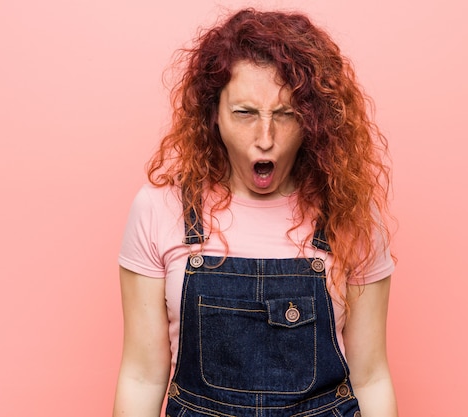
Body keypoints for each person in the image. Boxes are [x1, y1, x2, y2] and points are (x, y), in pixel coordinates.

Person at [113, 8, 397, 417]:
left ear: (313, 120)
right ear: (213, 114)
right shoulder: (159, 208)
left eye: (286, 115)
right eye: (244, 113)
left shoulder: (349, 213)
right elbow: (141, 375)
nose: (265, 139)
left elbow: (371, 377)